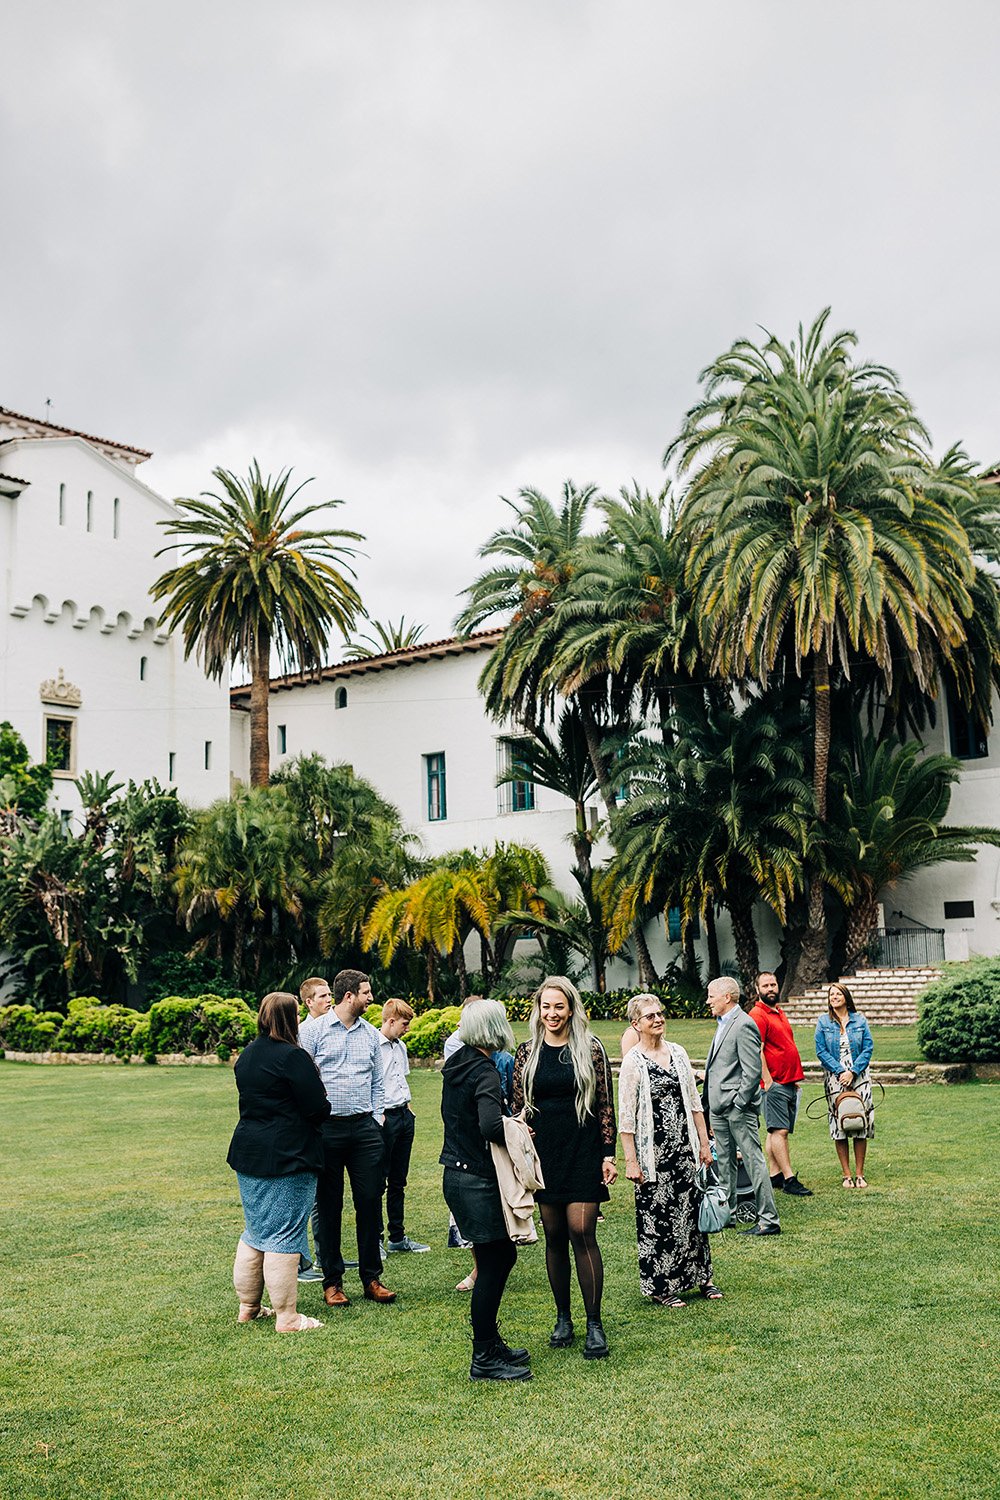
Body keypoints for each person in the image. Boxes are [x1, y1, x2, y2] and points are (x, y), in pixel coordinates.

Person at [512, 975, 617, 1359]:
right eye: (546, 1007)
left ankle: (594, 1324)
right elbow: (516, 1105)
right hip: (545, 1155)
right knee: (554, 1235)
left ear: (571, 1008)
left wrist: (608, 1154)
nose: (552, 1013)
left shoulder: (590, 1049)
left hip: (583, 1151)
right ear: (538, 1011)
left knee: (582, 1230)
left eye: (559, 1006)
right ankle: (563, 1318)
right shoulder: (528, 1052)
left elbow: (605, 1103)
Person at [227, 990, 331, 1332]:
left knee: (255, 1233)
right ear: (289, 1018)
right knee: (284, 1236)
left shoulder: (247, 1055)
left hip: (249, 1152)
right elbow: (317, 1107)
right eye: (297, 1014)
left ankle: (249, 1307)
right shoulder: (292, 1057)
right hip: (289, 1156)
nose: (300, 1019)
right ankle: (287, 1316)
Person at [440, 998, 532, 1382]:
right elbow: (490, 1127)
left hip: (456, 1174)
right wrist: (518, 1126)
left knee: (497, 1258)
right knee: (496, 1263)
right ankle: (484, 1356)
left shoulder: (456, 1063)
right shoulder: (486, 1072)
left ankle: (491, 1341)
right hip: (476, 1178)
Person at [299, 968, 396, 1307]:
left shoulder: (370, 1034)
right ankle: (333, 1281)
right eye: (366, 993)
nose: (371, 999)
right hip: (326, 1130)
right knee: (328, 1206)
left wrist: (377, 1116)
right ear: (349, 995)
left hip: (364, 1129)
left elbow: (376, 1081)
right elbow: (303, 1079)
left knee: (369, 1202)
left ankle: (372, 1278)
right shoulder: (312, 1032)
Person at [618, 994, 721, 1305]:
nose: (658, 1019)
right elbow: (627, 1116)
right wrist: (631, 1161)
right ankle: (663, 1286)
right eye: (650, 1016)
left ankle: (703, 1278)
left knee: (691, 1216)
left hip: (684, 1149)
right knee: (659, 1218)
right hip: (654, 1154)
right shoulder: (633, 1061)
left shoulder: (678, 1052)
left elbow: (694, 1103)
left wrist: (704, 1143)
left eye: (660, 1013)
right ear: (636, 1024)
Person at [703, 976, 781, 1236]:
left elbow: (752, 1071)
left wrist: (737, 1103)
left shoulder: (744, 1024)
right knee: (724, 1162)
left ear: (726, 997)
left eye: (711, 996)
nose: (708, 1001)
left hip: (737, 1109)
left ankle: (768, 1220)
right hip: (719, 1109)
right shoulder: (723, 1023)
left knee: (754, 1161)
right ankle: (728, 1214)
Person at [748, 972, 812, 1198]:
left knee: (775, 1130)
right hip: (774, 1083)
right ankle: (789, 1179)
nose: (771, 988)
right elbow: (757, 1050)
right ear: (757, 990)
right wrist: (768, 1081)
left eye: (773, 984)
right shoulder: (757, 1015)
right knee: (780, 1131)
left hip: (788, 1080)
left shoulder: (778, 1012)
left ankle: (774, 1174)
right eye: (765, 985)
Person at [379, 998, 429, 1253]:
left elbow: (400, 1080)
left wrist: (409, 1111)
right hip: (384, 1118)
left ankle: (397, 1237)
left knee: (399, 1180)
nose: (407, 1028)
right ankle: (376, 1239)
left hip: (403, 1115)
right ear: (390, 1021)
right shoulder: (374, 1047)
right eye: (404, 1024)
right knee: (378, 1181)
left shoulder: (401, 1047)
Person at [816, 982, 875, 1188]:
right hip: (835, 1076)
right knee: (839, 1122)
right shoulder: (823, 1022)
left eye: (838, 993)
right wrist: (841, 1072)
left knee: (860, 1121)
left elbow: (868, 1047)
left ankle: (860, 1174)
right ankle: (846, 1174)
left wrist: (853, 1071)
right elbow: (821, 1051)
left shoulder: (859, 1020)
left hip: (859, 1075)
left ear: (846, 997)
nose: (834, 997)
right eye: (831, 994)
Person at [296, 976, 333, 1283]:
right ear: (308, 1002)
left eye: (329, 994)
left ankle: (325, 1255)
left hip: (332, 1119)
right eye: (322, 996)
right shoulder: (306, 1033)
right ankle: (307, 1260)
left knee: (326, 1196)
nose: (328, 999)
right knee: (312, 1196)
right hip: (314, 1121)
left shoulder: (334, 1026)